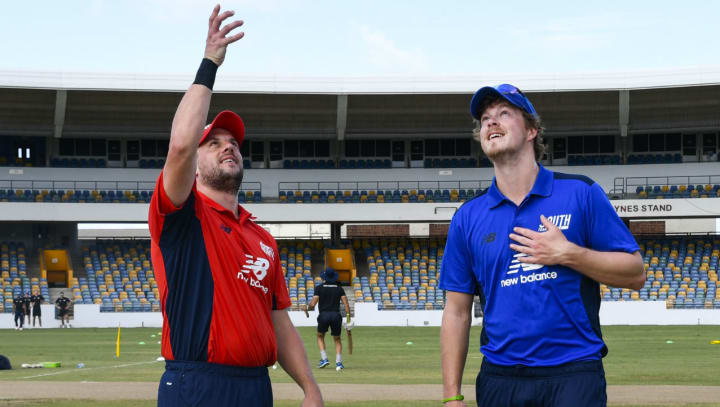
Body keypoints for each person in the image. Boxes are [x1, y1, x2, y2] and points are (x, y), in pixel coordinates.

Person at [148, 5, 323, 407]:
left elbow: (277, 320)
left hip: (255, 386)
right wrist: (210, 63)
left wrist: (310, 387)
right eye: (213, 142)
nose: (228, 145)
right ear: (195, 163)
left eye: (233, 142)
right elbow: (179, 146)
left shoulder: (261, 237)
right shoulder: (181, 216)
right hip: (197, 383)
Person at [439, 84, 645, 407]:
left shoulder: (581, 193)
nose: (491, 122)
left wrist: (568, 253)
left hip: (574, 374)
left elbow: (635, 273)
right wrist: (451, 396)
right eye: (485, 118)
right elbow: (456, 312)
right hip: (500, 379)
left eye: (504, 113)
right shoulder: (467, 217)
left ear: (532, 129)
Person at [305, 269, 351, 370]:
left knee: (320, 337)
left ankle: (324, 359)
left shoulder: (319, 288)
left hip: (324, 316)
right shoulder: (339, 289)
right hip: (336, 316)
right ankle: (338, 363)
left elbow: (313, 304)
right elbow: (346, 304)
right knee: (337, 339)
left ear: (324, 277)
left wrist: (307, 308)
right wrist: (348, 319)